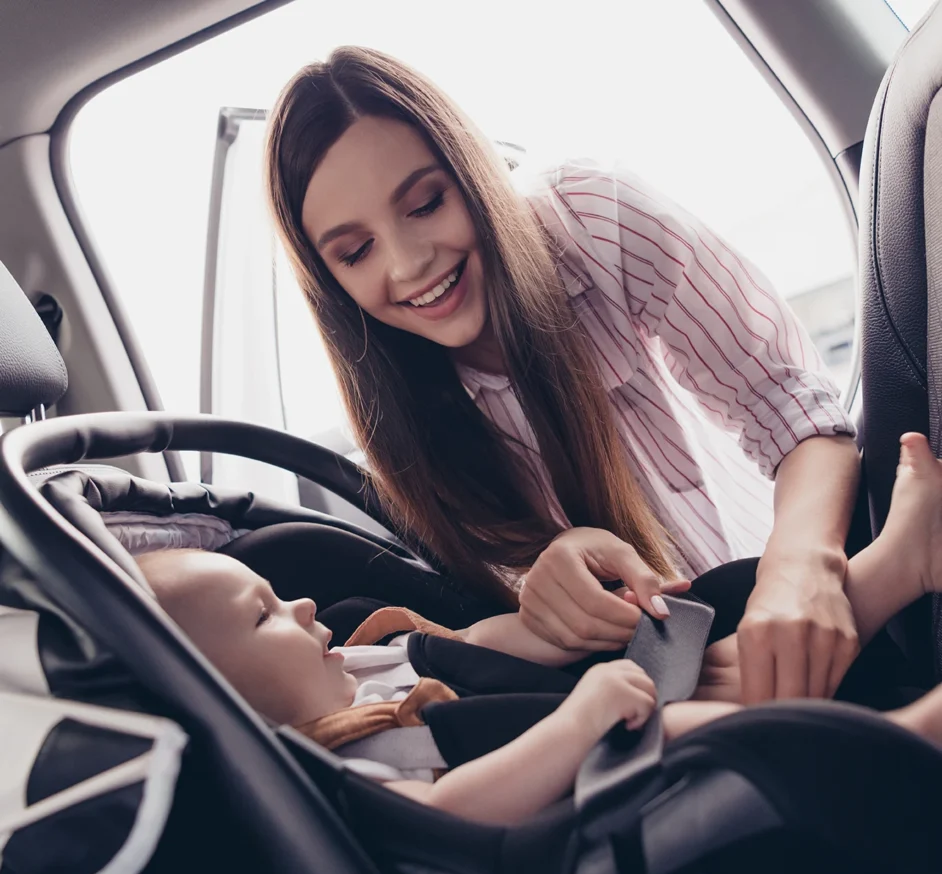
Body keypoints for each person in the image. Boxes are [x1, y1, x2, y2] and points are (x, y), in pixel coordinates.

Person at [264, 46, 861, 705]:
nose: (408, 264)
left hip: (796, 576)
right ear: (331, 281)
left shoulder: (593, 217)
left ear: (470, 170)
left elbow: (790, 404)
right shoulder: (400, 420)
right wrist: (549, 599)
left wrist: (801, 568)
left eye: (427, 204)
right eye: (356, 251)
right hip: (683, 690)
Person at [139, 433, 942, 827]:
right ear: (231, 706)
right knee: (712, 730)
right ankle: (909, 743)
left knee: (732, 610)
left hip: (585, 694)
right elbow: (452, 809)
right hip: (591, 782)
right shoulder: (340, 768)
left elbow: (474, 645)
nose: (303, 607)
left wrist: (546, 632)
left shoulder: (353, 659)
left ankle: (899, 565)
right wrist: (579, 720)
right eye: (265, 616)